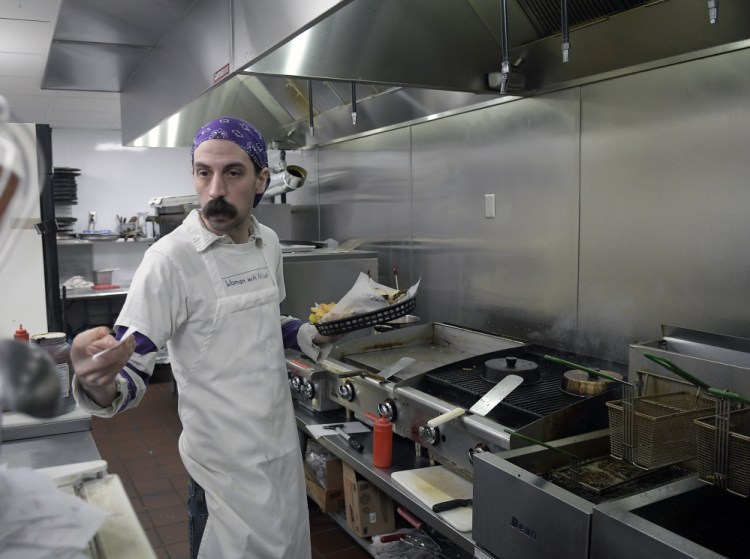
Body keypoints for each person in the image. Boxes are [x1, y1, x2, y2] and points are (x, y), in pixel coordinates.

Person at [71, 116, 337, 559]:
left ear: (261, 180)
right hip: (219, 471)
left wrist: (307, 333)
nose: (215, 189)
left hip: (278, 451)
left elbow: (265, 319)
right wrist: (98, 384)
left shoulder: (267, 243)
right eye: (203, 173)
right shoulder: (169, 260)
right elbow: (130, 365)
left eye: (233, 172)